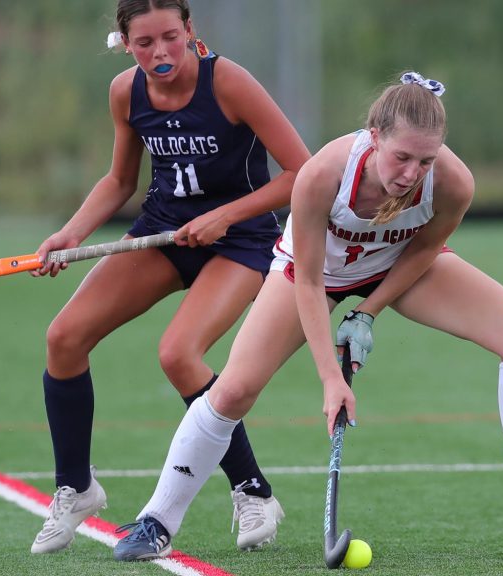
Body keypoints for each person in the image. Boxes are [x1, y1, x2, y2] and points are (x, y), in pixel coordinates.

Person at [112, 71, 503, 561]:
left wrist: (368, 311)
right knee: (233, 391)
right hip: (312, 272)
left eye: (425, 161)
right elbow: (309, 282)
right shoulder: (322, 175)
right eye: (402, 157)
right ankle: (157, 521)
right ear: (374, 136)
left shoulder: (454, 183)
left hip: (395, 264)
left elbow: (425, 248)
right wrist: (330, 380)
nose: (411, 174)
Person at [28, 0, 310, 554]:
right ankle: (76, 487)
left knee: (179, 354)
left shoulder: (228, 82)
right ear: (125, 43)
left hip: (240, 242)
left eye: (170, 37)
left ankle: (252, 490)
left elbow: (303, 171)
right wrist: (71, 233)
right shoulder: (125, 92)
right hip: (163, 235)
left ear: (189, 30)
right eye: (144, 43)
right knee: (64, 337)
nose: (160, 52)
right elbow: (119, 180)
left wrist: (224, 216)